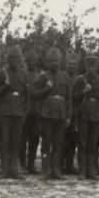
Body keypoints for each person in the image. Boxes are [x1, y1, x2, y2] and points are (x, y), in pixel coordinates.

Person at [32, 47, 72, 179]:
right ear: (47, 62)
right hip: (47, 114)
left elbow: (69, 98)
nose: (54, 63)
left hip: (61, 114)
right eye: (51, 60)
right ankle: (45, 170)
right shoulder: (43, 77)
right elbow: (34, 94)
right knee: (46, 143)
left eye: (56, 60)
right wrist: (46, 88)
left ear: (60, 61)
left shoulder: (65, 76)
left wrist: (68, 115)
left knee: (58, 143)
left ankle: (56, 170)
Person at [0, 46, 28, 179]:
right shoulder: (2, 73)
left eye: (17, 58)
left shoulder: (23, 74)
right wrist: (5, 86)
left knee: (16, 142)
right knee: (5, 141)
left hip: (18, 112)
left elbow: (26, 95)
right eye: (12, 58)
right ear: (8, 59)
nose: (15, 61)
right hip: (5, 112)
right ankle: (5, 170)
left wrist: (24, 111)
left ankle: (15, 170)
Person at [73, 55, 99, 179]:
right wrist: (83, 91)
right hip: (84, 114)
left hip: (96, 114)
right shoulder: (80, 79)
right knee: (83, 143)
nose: (92, 68)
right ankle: (82, 170)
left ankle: (91, 170)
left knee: (93, 143)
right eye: (90, 65)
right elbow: (74, 96)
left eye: (94, 65)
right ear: (86, 66)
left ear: (96, 66)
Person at [21, 49, 41, 174]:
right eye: (29, 61)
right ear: (26, 62)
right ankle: (21, 164)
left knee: (34, 139)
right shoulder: (22, 75)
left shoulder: (40, 76)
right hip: (24, 111)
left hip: (36, 112)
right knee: (22, 140)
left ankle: (31, 165)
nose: (31, 63)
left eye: (33, 61)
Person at [63, 56, 80, 175]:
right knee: (62, 140)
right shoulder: (62, 77)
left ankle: (69, 165)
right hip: (62, 111)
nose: (71, 66)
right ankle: (60, 164)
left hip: (75, 113)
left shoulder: (79, 79)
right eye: (69, 64)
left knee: (73, 140)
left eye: (74, 64)